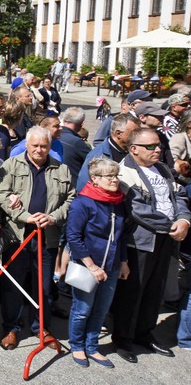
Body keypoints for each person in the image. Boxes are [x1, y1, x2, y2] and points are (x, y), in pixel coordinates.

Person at [111, 127, 191, 363]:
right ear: (133, 149)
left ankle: (144, 333)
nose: (158, 150)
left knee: (155, 290)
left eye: (159, 146)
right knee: (133, 291)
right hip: (141, 242)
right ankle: (123, 338)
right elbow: (137, 210)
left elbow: (179, 197)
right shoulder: (125, 173)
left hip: (166, 239)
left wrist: (184, 220)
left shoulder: (163, 169)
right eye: (151, 146)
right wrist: (172, 225)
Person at [0, 126, 75, 349]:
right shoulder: (11, 165)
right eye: (35, 146)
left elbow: (70, 199)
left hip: (46, 237)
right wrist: (25, 217)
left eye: (44, 146)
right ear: (27, 145)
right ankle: (11, 327)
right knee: (13, 285)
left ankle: (41, 326)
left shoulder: (62, 169)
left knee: (45, 287)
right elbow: (0, 194)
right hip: (18, 237)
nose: (40, 150)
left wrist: (52, 217)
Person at [65, 157, 130, 368]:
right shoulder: (82, 202)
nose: (114, 180)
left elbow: (120, 236)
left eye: (116, 175)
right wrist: (91, 266)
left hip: (111, 264)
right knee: (82, 308)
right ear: (94, 179)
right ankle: (77, 345)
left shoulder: (118, 201)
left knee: (101, 309)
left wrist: (123, 261)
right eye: (109, 176)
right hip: (87, 265)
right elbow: (73, 237)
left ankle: (92, 346)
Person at [60, 107, 91, 184]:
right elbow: (92, 161)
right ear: (81, 124)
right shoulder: (78, 143)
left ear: (64, 120)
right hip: (71, 184)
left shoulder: (53, 136)